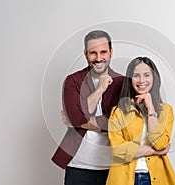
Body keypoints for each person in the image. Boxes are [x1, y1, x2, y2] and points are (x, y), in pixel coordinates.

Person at [51, 30, 124, 185]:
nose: (98, 58)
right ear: (85, 54)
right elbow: (75, 116)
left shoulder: (123, 83)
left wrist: (77, 121)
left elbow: (120, 124)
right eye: (93, 53)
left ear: (111, 52)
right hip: (78, 167)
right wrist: (100, 89)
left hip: (113, 167)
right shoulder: (73, 81)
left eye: (103, 52)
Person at [106, 57, 175, 185]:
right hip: (124, 179)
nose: (141, 80)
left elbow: (161, 143)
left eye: (146, 75)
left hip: (155, 178)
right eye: (136, 76)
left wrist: (150, 108)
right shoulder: (118, 112)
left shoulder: (165, 111)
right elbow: (119, 150)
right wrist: (155, 151)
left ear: (154, 78)